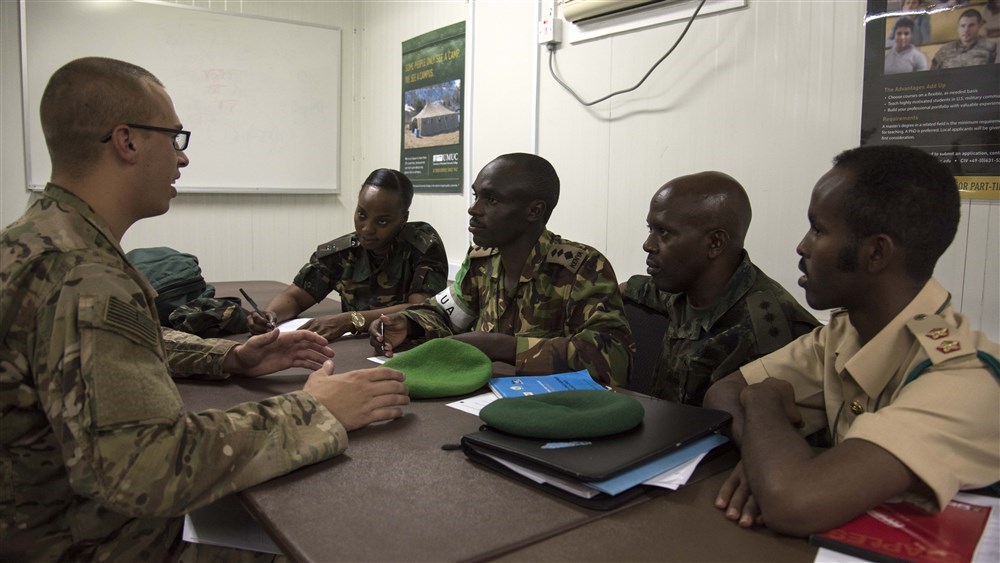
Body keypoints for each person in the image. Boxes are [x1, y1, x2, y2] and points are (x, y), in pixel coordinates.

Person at [0, 57, 410, 561]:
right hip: (92, 544)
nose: (182, 158)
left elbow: (101, 344)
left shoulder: (39, 239)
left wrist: (227, 357)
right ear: (127, 142)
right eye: (174, 138)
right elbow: (146, 467)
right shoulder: (84, 276)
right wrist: (316, 410)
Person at [704, 145, 999, 537]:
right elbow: (723, 393)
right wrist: (767, 462)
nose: (802, 247)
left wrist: (764, 402)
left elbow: (794, 502)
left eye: (818, 229)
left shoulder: (964, 381)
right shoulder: (847, 333)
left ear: (876, 252)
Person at [371, 153, 634, 387]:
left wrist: (502, 348)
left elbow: (612, 359)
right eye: (476, 196)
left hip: (552, 412)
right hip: (480, 399)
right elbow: (446, 313)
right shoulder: (482, 260)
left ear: (534, 211)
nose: (474, 209)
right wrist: (408, 325)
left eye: (492, 200)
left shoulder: (582, 268)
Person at [620, 172, 819, 406]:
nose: (648, 244)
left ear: (715, 243)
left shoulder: (767, 335)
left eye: (663, 232)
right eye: (650, 229)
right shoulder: (684, 287)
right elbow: (634, 289)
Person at [247, 168, 448, 341]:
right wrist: (270, 315)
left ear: (403, 218)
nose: (367, 229)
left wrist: (350, 320)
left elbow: (420, 310)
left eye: (382, 221)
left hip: (407, 349)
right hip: (358, 347)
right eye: (362, 215)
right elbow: (296, 296)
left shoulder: (421, 246)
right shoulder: (344, 253)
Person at [930, 8, 998, 69]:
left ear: (979, 26)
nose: (966, 30)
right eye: (962, 26)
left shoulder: (991, 47)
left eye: (971, 25)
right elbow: (932, 76)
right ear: (958, 28)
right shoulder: (944, 50)